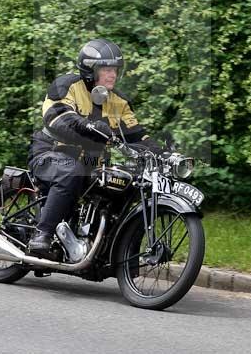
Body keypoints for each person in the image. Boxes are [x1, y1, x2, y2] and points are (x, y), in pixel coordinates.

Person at [26, 38, 157, 257]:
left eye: (115, 69)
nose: (113, 75)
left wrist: (163, 152)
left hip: (90, 163)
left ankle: (113, 250)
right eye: (106, 69)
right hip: (50, 152)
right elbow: (58, 118)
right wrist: (89, 126)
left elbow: (137, 135)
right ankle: (43, 234)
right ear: (89, 70)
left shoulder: (119, 101)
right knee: (72, 170)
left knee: (128, 183)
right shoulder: (66, 86)